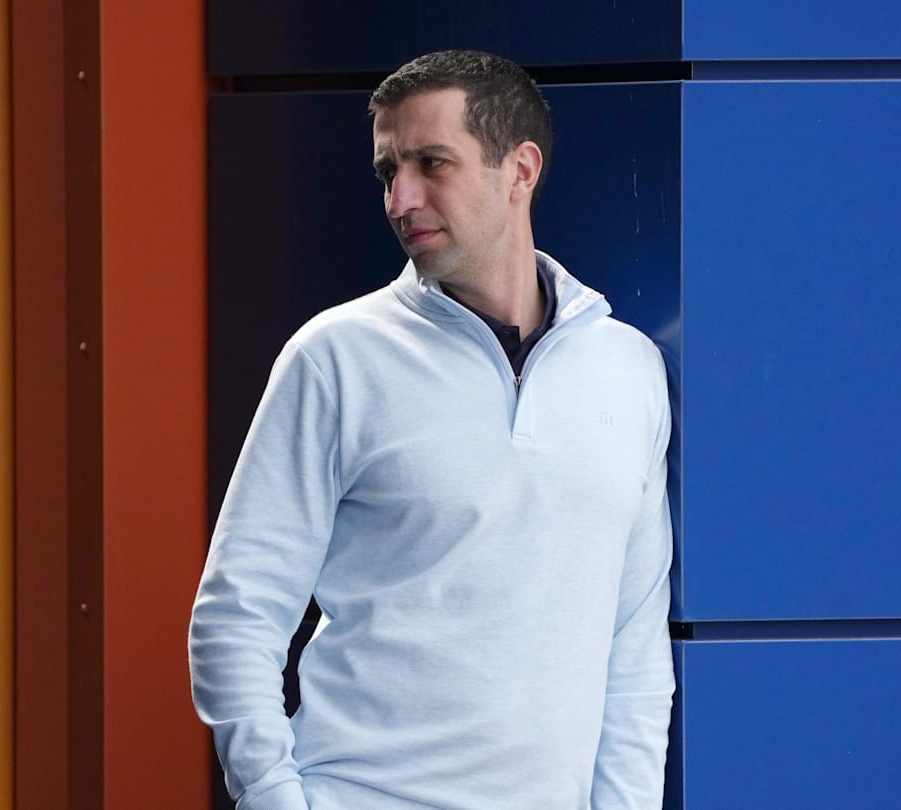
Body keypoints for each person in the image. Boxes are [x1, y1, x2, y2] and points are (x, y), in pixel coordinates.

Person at [190, 50, 674, 809]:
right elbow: (237, 613)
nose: (400, 198)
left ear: (520, 170)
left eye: (431, 163)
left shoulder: (628, 368)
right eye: (388, 170)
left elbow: (635, 644)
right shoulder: (336, 358)